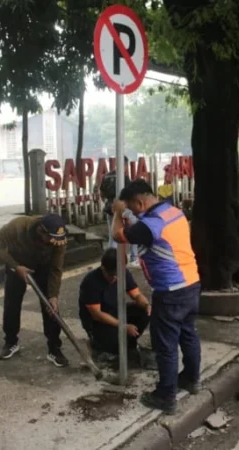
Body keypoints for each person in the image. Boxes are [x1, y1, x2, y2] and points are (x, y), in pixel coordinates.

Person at [112, 179, 201, 415]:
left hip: (170, 291)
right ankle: (192, 380)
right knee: (189, 334)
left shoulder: (150, 225)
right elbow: (146, 230)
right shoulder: (173, 212)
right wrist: (131, 217)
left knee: (166, 345)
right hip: (191, 283)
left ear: (140, 202)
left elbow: (118, 235)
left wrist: (117, 213)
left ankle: (166, 395)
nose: (131, 210)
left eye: (131, 206)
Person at [0, 214, 70, 367]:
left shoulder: (58, 239)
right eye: (50, 239)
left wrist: (53, 295)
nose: (53, 243)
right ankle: (11, 341)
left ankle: (54, 348)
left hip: (44, 267)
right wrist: (15, 266)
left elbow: (56, 268)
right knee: (11, 304)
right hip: (17, 265)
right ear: (41, 231)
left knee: (51, 308)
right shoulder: (17, 226)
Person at [79, 249, 151, 359]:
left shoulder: (123, 273)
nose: (116, 278)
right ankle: (98, 346)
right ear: (103, 268)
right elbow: (96, 314)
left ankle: (129, 344)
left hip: (116, 312)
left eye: (118, 275)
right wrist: (123, 326)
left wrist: (146, 305)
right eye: (112, 275)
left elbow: (136, 295)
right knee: (114, 343)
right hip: (98, 322)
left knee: (144, 312)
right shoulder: (91, 281)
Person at [100, 161, 139, 267]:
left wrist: (110, 203)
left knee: (113, 236)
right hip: (123, 209)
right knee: (134, 231)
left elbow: (102, 193)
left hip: (109, 208)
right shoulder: (124, 177)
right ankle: (134, 258)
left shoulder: (106, 176)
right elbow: (130, 194)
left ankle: (110, 263)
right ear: (125, 164)